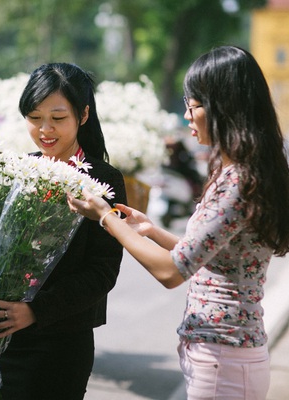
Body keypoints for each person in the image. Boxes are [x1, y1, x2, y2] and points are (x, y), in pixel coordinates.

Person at [68, 46, 289, 400]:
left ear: (224, 108)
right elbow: (212, 257)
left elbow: (172, 272)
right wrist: (152, 231)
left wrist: (106, 217)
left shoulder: (238, 182)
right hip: (224, 355)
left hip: (225, 357)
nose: (187, 114)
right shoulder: (242, 173)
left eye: (195, 104)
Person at [0, 63, 127, 399]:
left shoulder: (104, 181)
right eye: (34, 117)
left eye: (58, 118)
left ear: (84, 115)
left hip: (61, 343)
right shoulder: (18, 170)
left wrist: (36, 311)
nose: (45, 129)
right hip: (3, 337)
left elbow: (103, 271)